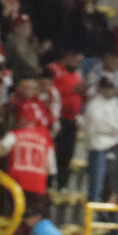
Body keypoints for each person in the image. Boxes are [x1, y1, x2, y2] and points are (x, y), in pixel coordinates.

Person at [84, 76, 118, 202]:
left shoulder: (117, 105)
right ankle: (93, 215)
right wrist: (115, 128)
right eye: (105, 88)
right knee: (96, 185)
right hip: (98, 149)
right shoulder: (93, 104)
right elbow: (99, 124)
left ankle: (107, 216)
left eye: (110, 88)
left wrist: (113, 128)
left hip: (115, 148)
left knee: (114, 185)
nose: (108, 91)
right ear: (100, 89)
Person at [48, 50, 85, 189]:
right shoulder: (54, 69)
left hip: (72, 118)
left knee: (67, 153)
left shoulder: (76, 73)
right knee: (55, 152)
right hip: (58, 118)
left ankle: (62, 185)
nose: (77, 62)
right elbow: (53, 88)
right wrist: (74, 89)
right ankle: (49, 183)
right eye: (75, 59)